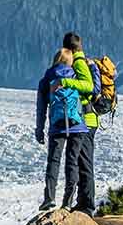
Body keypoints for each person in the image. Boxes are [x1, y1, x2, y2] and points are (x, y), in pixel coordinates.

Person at [35, 47, 88, 212]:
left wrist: (39, 129)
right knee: (72, 162)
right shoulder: (76, 77)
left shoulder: (47, 79)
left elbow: (41, 107)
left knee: (53, 162)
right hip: (77, 125)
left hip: (57, 126)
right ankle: (68, 202)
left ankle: (49, 198)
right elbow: (90, 89)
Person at [57, 31, 99, 215]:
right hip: (84, 120)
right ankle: (82, 203)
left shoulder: (80, 63)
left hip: (87, 120)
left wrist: (66, 82)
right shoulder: (80, 61)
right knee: (81, 163)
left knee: (85, 164)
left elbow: (88, 86)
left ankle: (88, 206)